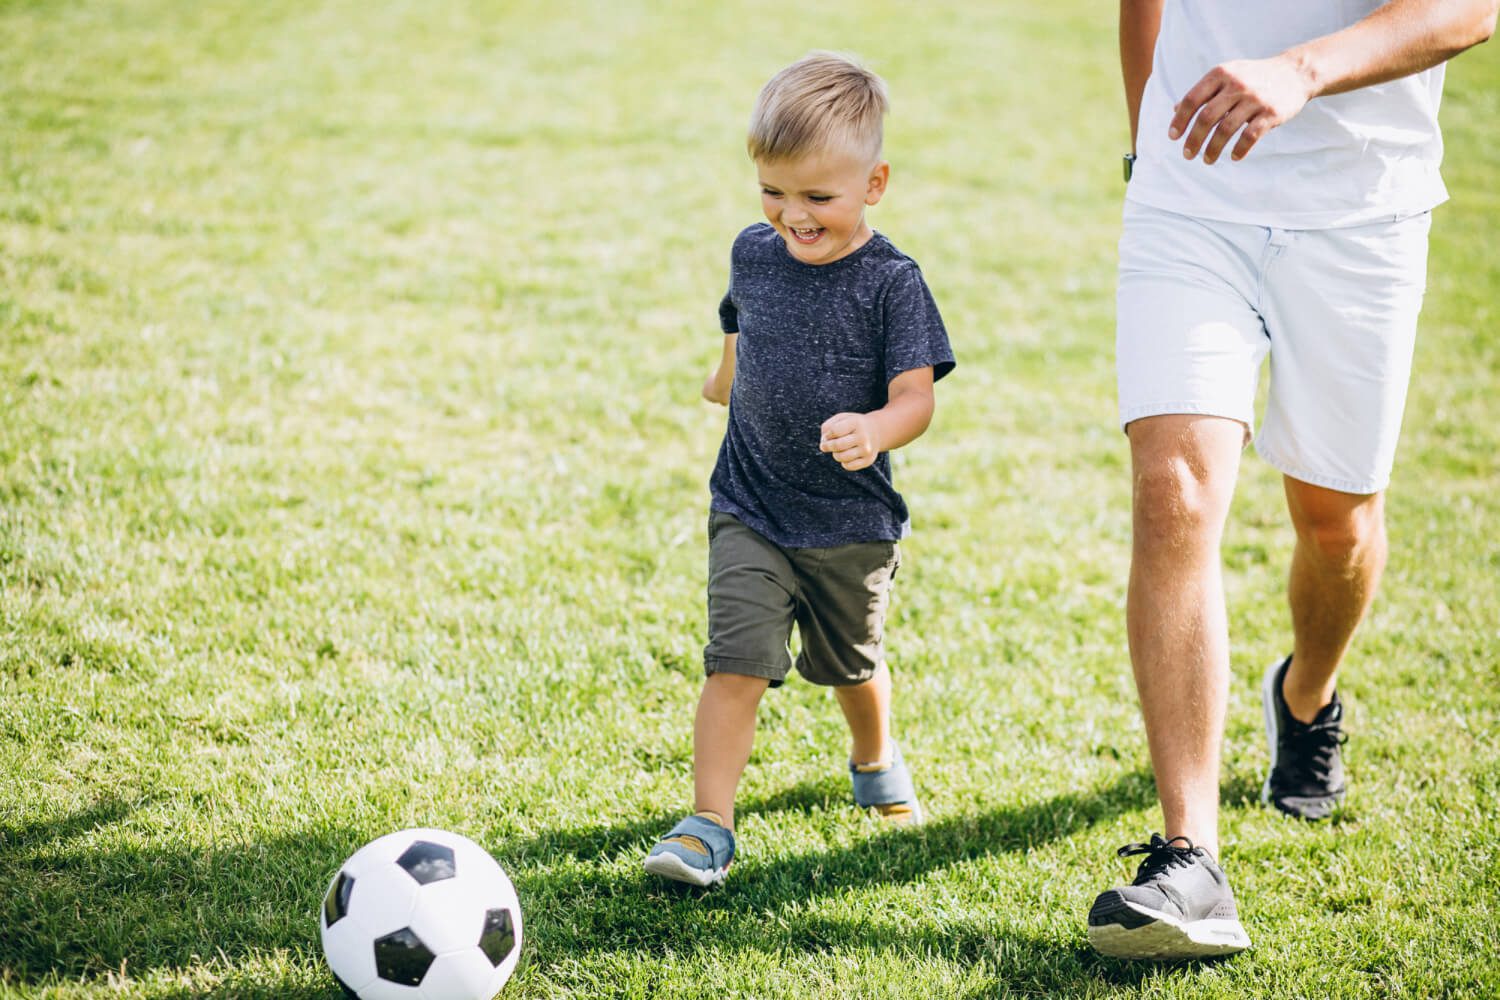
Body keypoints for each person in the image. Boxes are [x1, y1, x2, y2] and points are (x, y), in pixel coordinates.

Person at [1087, 0, 1497, 960]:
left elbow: (1469, 9)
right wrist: (1150, 145)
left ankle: (1307, 694)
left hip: (1365, 213)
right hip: (1192, 201)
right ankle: (1191, 861)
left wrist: (1300, 71)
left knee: (1335, 527)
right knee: (1174, 494)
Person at [642, 52, 956, 887]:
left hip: (849, 522)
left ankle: (875, 757)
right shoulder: (755, 251)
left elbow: (917, 398)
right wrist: (726, 375)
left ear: (874, 183)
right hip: (750, 503)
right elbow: (739, 319)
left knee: (850, 662)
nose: (792, 215)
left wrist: (876, 429)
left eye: (818, 197)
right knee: (734, 664)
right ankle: (709, 825)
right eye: (773, 192)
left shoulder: (892, 284)